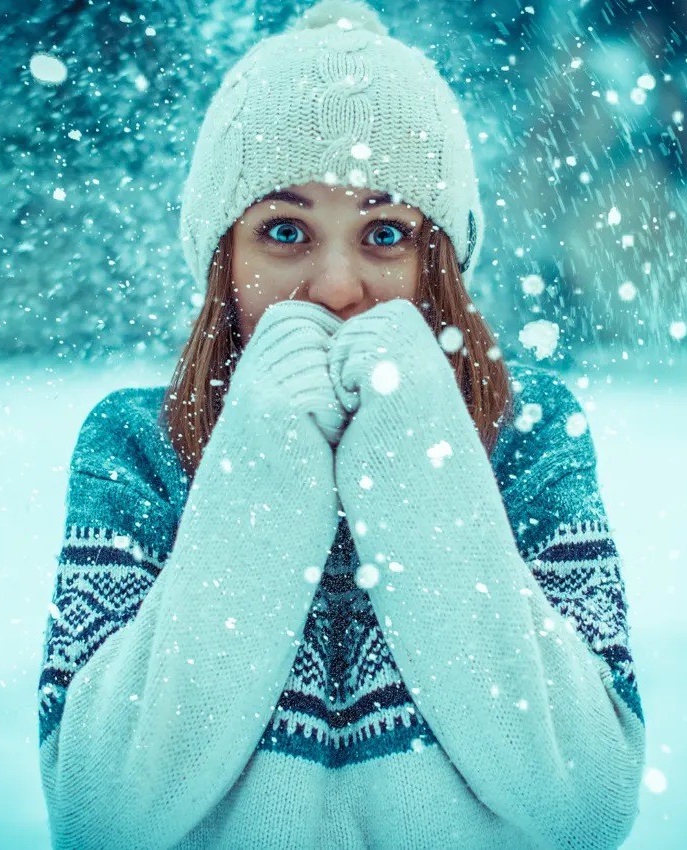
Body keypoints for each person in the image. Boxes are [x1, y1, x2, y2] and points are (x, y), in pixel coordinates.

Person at [36, 2, 645, 847]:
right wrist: (262, 463)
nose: (335, 285)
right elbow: (100, 816)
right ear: (224, 260)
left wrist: (416, 450)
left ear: (439, 267)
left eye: (385, 233)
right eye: (284, 231)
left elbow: (585, 806)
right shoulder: (136, 447)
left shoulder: (529, 435)